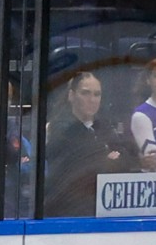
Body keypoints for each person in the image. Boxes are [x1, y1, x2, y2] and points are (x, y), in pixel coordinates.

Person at [44, 70, 131, 216]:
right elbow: (85, 164)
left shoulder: (104, 126)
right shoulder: (60, 129)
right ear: (71, 96)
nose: (92, 100)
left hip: (103, 204)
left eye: (97, 94)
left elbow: (126, 158)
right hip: (68, 208)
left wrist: (110, 160)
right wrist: (106, 157)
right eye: (85, 93)